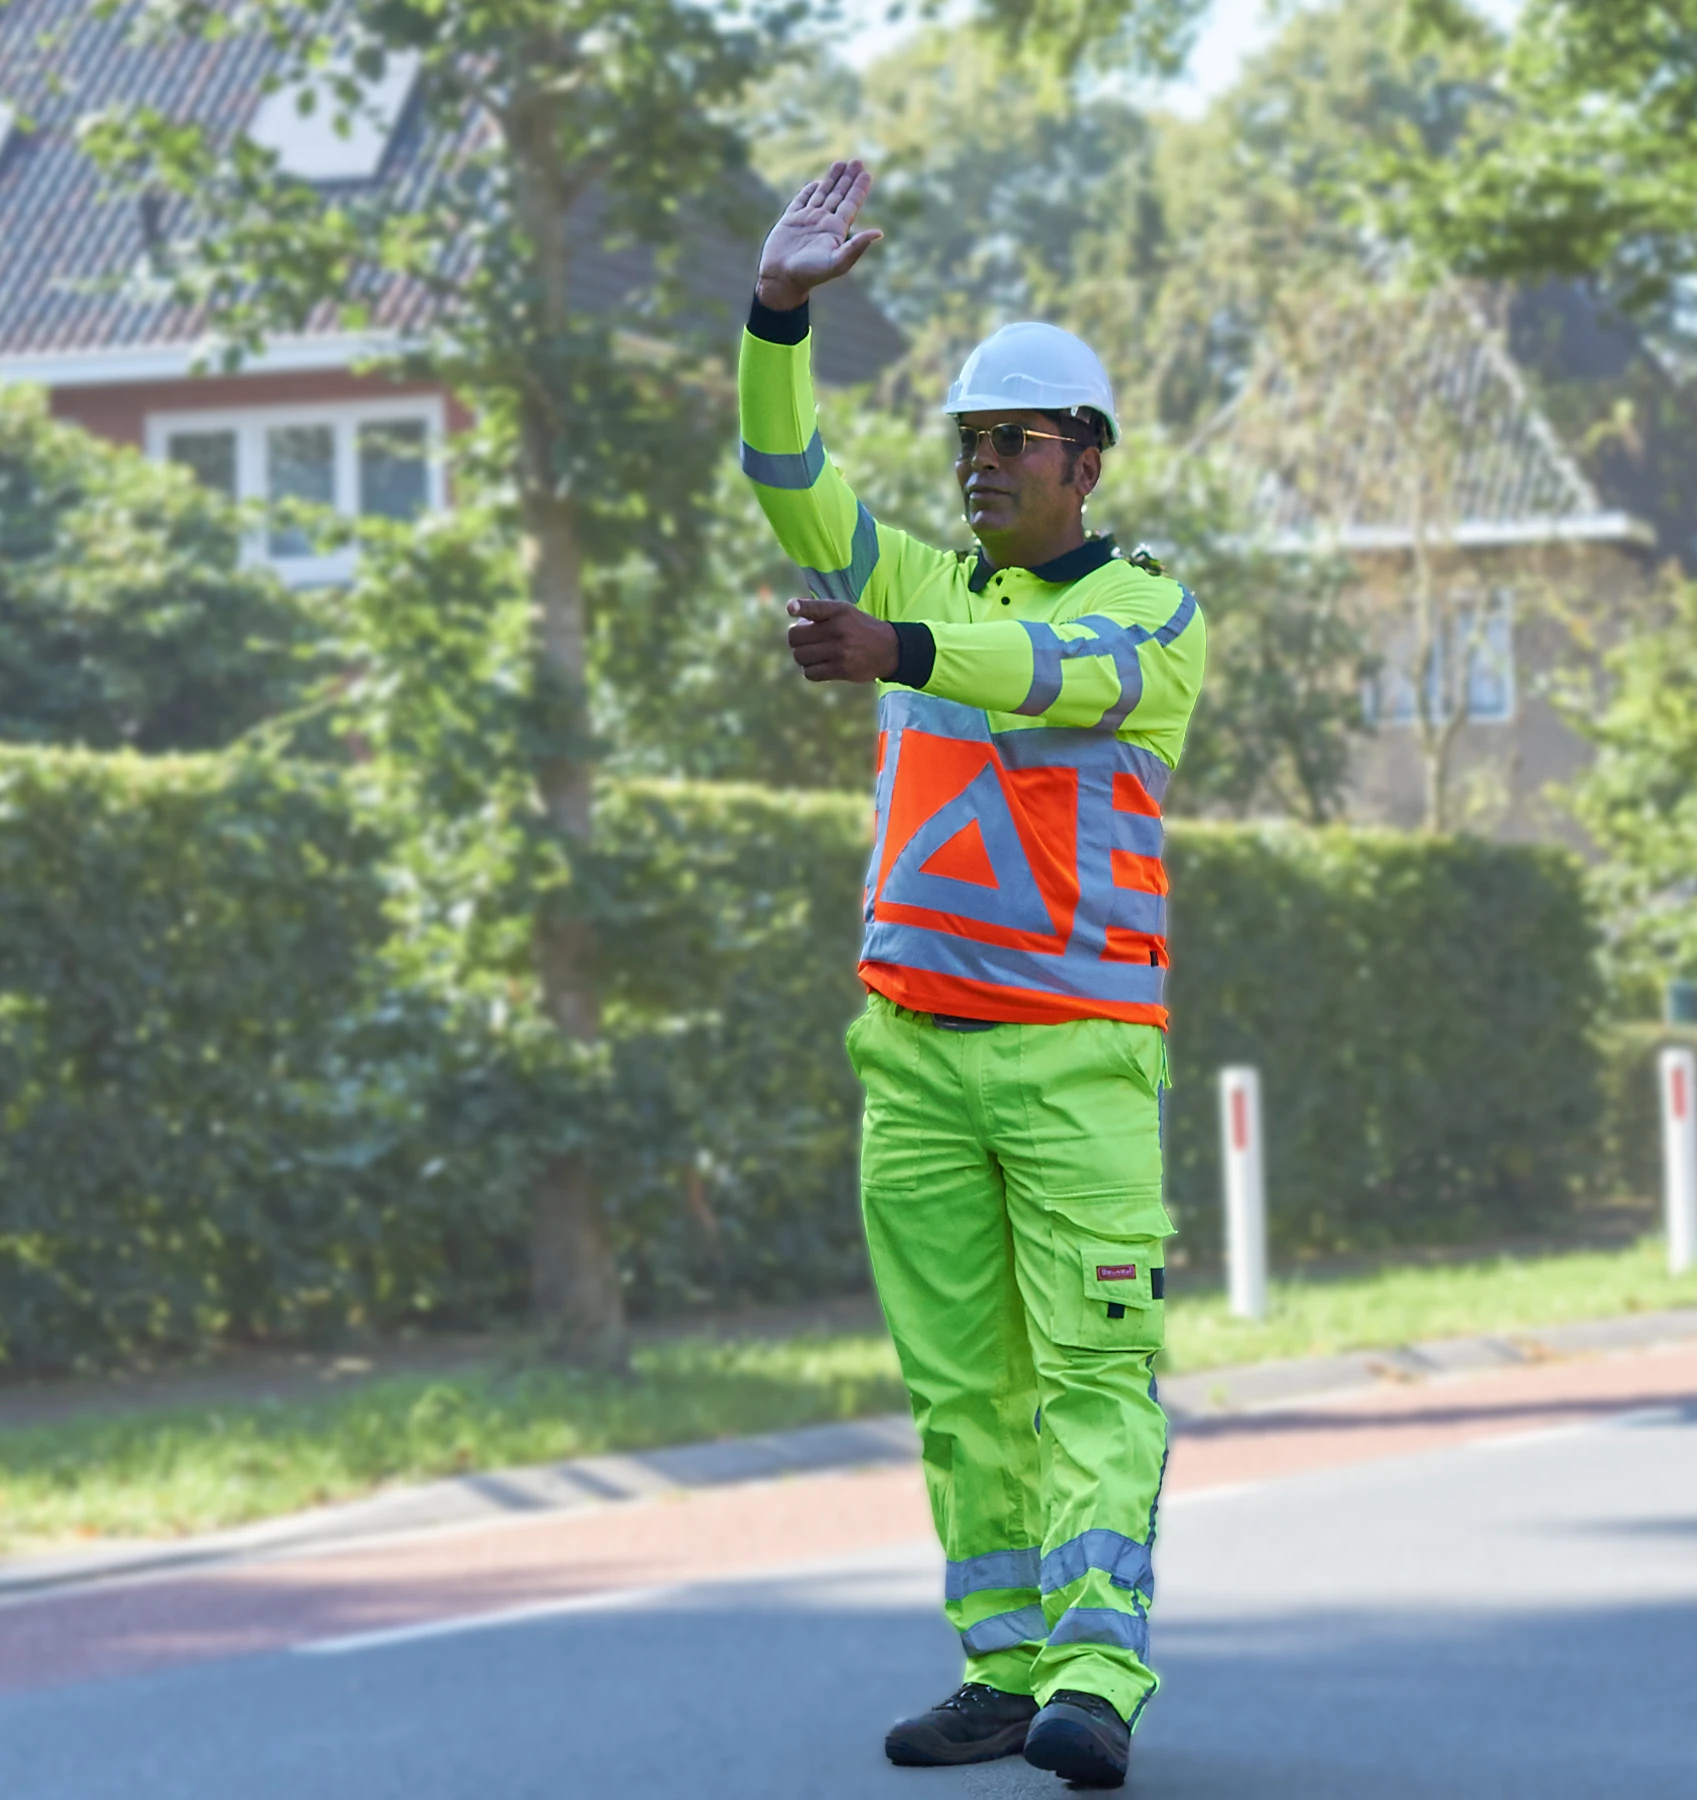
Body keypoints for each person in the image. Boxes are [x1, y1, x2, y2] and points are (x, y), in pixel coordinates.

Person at [745, 156, 1201, 1792]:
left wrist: (899, 654)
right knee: (960, 1391)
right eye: (967, 444)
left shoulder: (1152, 612)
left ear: (1085, 458)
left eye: (1013, 442)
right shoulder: (922, 586)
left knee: (1088, 1375)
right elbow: (787, 476)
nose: (983, 465)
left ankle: (1095, 1676)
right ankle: (1004, 1667)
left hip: (1080, 1060)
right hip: (917, 1058)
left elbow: (1051, 673)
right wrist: (778, 313)